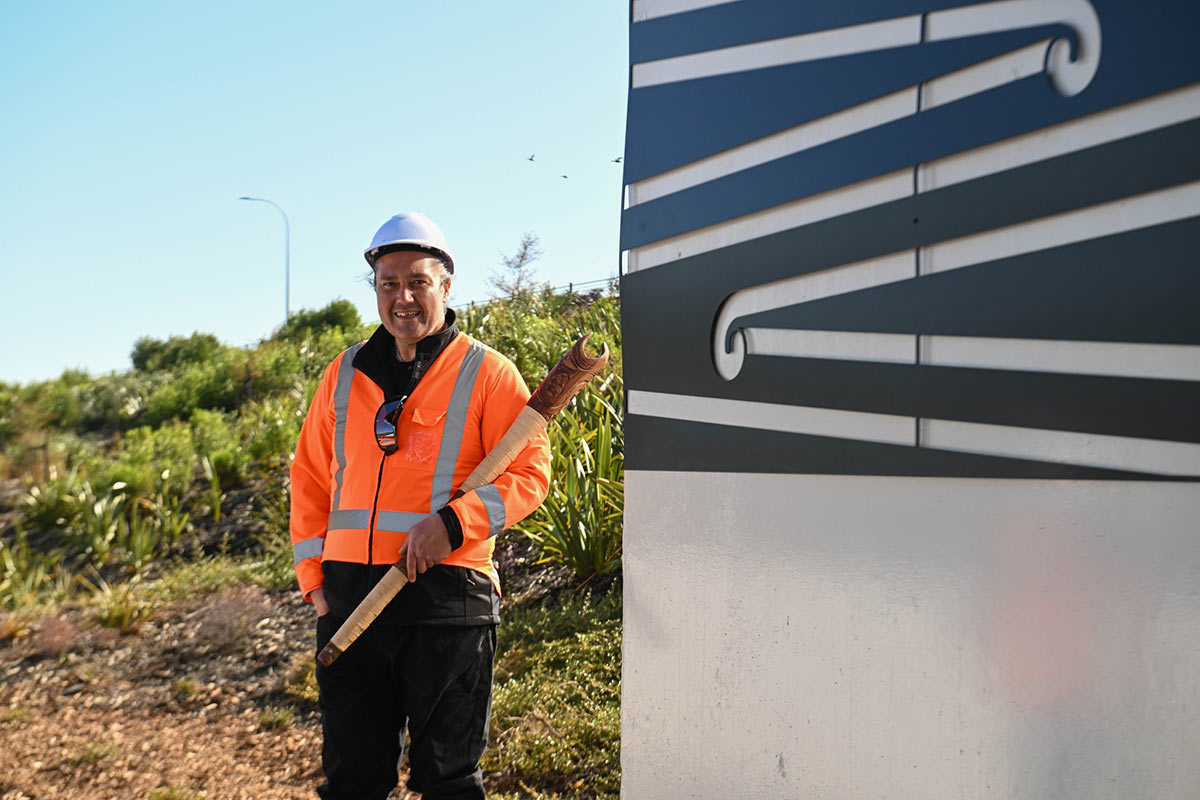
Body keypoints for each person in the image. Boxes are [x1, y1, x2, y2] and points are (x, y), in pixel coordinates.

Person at [289, 212, 551, 799]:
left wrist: (454, 525)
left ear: (447, 287)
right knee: (352, 782)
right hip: (352, 598)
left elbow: (531, 473)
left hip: (448, 598)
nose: (402, 297)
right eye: (389, 284)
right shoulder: (342, 373)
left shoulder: (487, 373)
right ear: (375, 289)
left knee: (448, 782)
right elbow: (308, 477)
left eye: (418, 282)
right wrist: (315, 583)